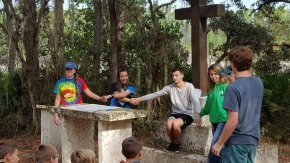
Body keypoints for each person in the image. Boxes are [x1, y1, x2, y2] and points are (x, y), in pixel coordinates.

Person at [212, 46, 264, 163]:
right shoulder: (258, 82)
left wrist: (219, 144)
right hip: (252, 140)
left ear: (233, 64)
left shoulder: (233, 89)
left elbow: (233, 121)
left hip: (236, 143)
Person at [131, 68, 201, 152]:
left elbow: (196, 101)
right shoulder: (170, 87)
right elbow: (155, 94)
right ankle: (172, 143)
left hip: (187, 114)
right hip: (175, 113)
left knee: (175, 125)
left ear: (182, 76)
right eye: (173, 76)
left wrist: (198, 116)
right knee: (168, 125)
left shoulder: (189, 86)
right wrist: (139, 99)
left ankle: (177, 144)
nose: (174, 77)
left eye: (176, 75)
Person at [199, 64, 230, 163]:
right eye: (211, 74)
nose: (213, 76)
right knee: (219, 149)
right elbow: (208, 105)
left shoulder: (226, 86)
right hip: (214, 121)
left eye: (216, 74)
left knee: (215, 146)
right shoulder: (211, 88)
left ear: (221, 74)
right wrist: (201, 113)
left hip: (224, 121)